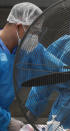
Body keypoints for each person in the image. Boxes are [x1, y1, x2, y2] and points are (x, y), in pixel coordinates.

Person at [0, 2, 42, 131]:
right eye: (33, 32)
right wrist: (7, 121)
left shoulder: (24, 49)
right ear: (19, 27)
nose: (34, 38)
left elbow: (55, 67)